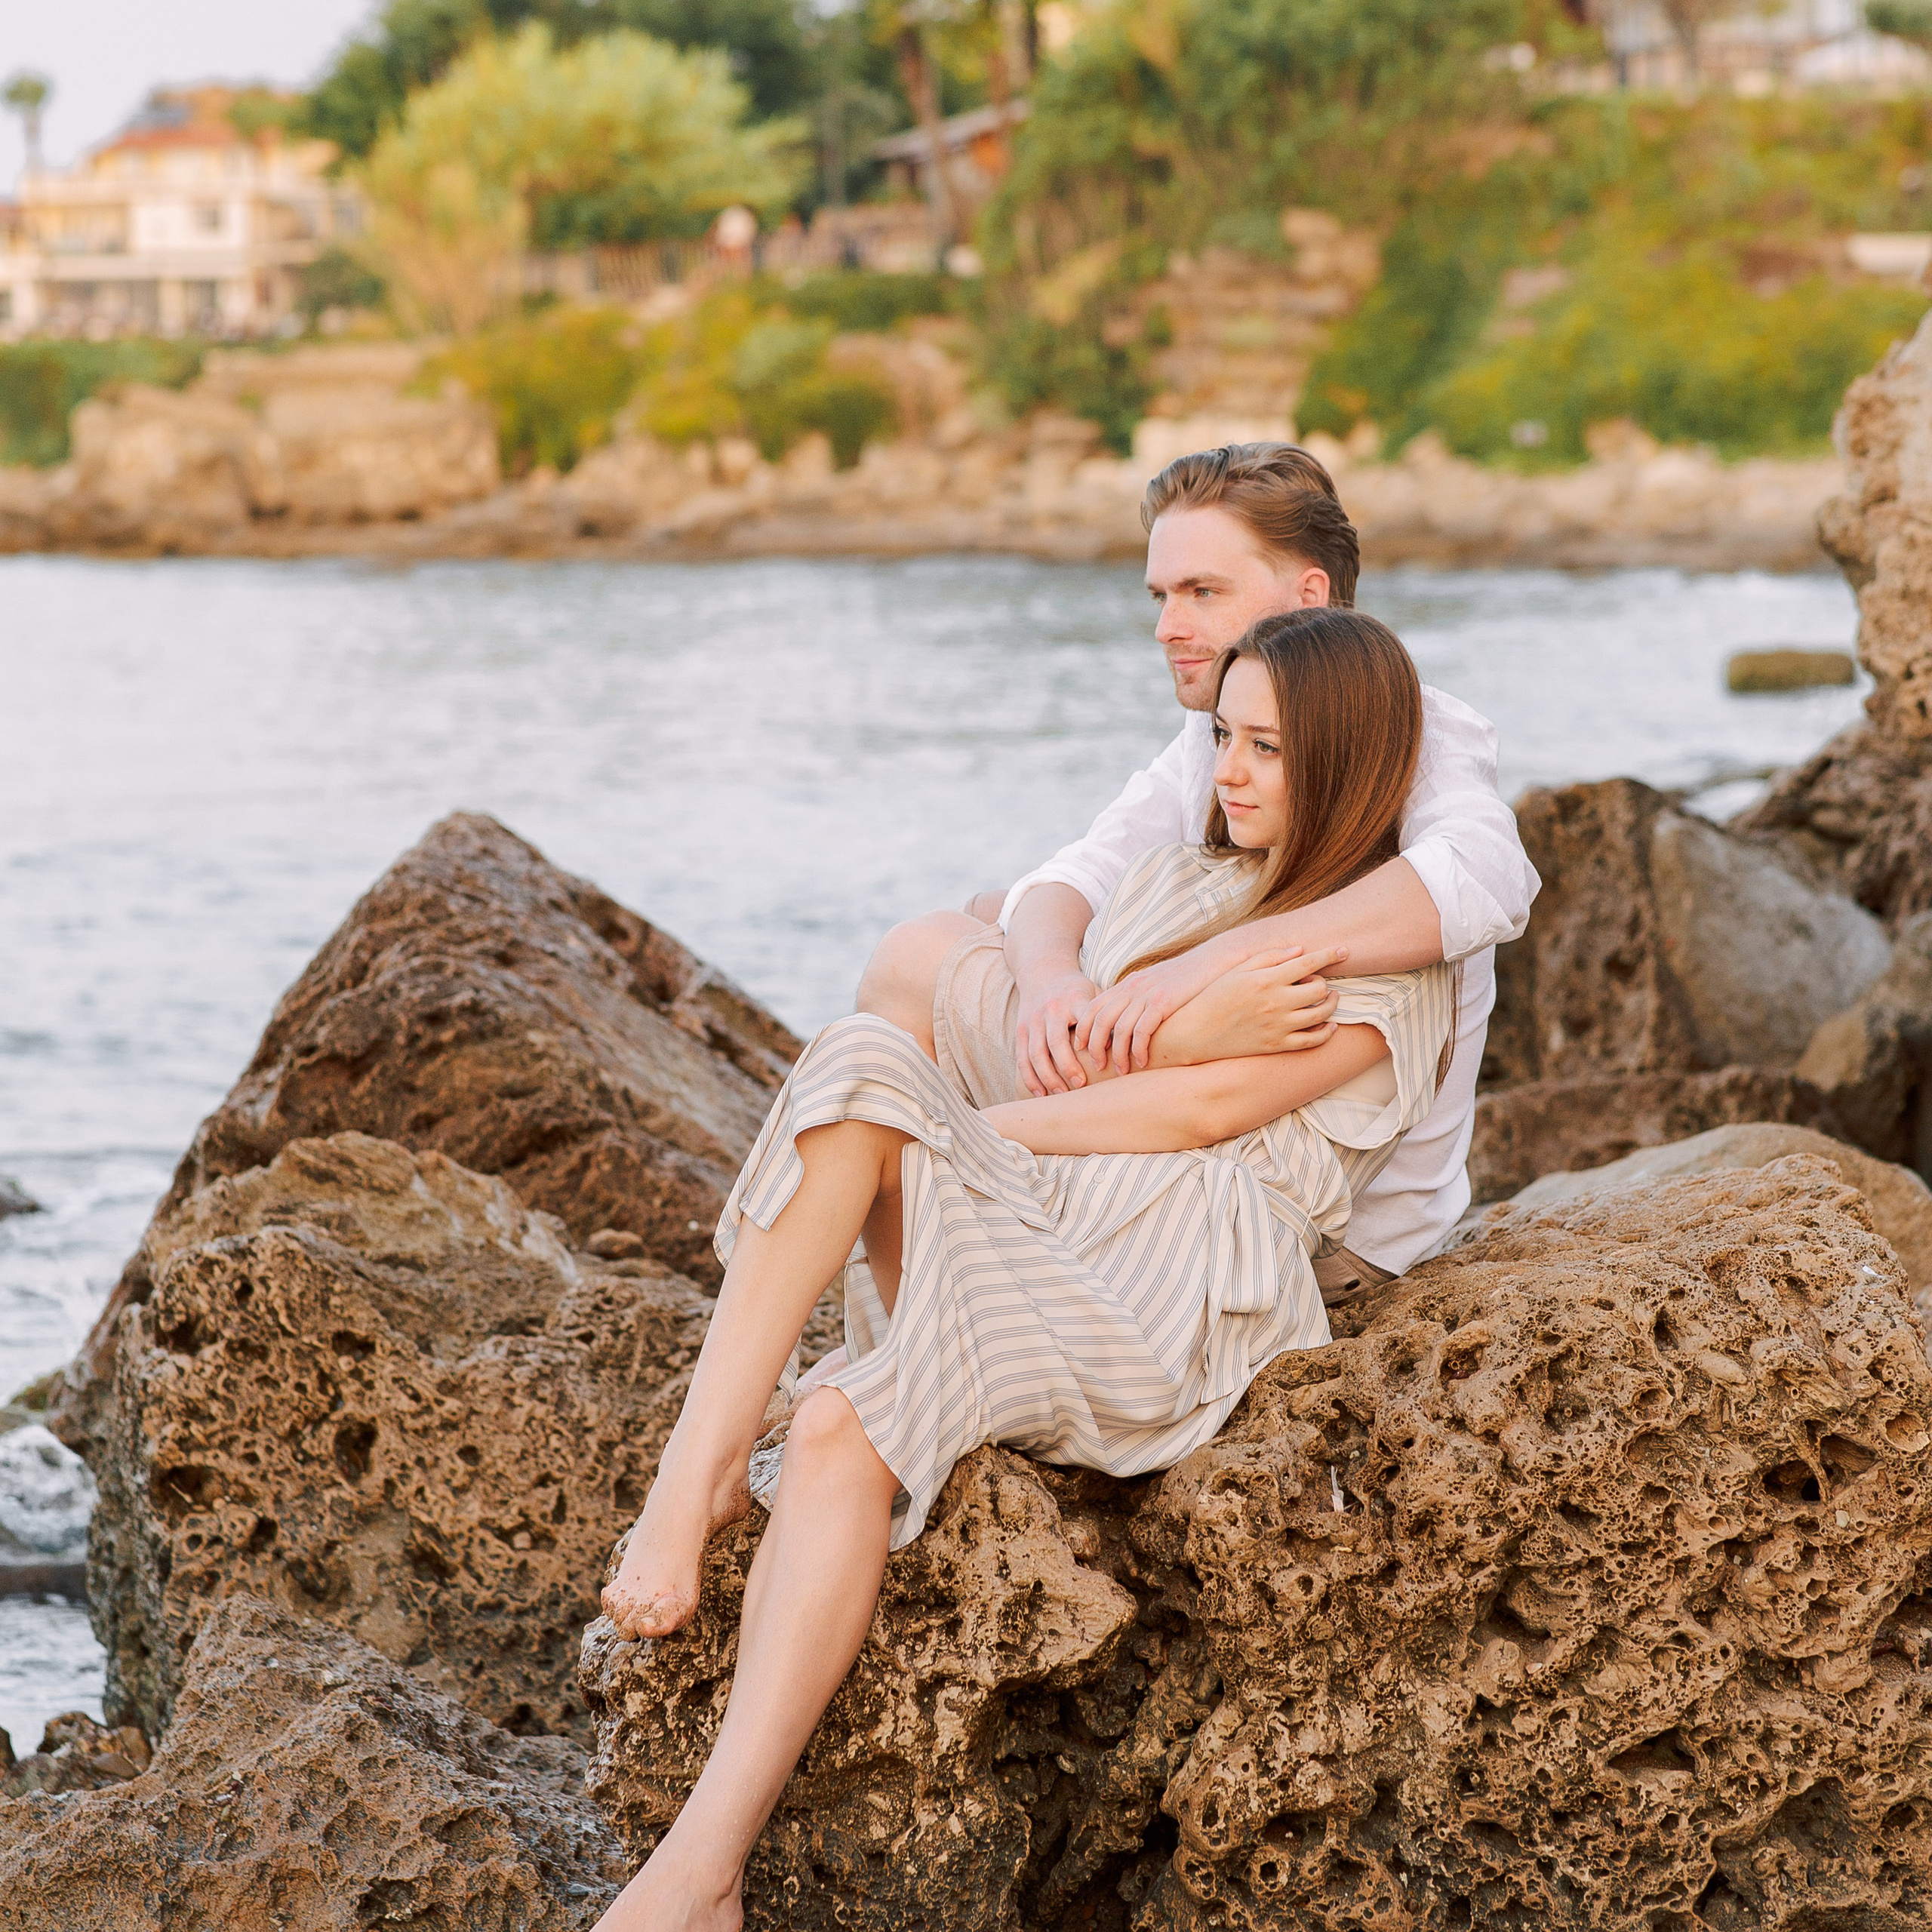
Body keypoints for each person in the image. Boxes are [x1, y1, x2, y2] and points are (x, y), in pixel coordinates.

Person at [592, 608, 1455, 1932]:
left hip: (1177, 1279)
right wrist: (1104, 1008)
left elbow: (1186, 1119)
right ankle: (696, 1566)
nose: (1227, 769)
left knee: (859, 1259)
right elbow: (1006, 954)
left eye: (1269, 750)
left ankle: (697, 1821)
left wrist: (958, 1136)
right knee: (861, 1096)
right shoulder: (1180, 881)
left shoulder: (1383, 961)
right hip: (1057, 1203)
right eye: (1223, 735)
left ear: (1344, 763)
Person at [857, 443, 1537, 1320]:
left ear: (1309, 596)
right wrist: (1050, 980)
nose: (1166, 626)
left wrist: (1205, 963)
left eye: (1202, 592)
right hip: (1187, 1136)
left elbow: (1486, 875)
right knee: (956, 938)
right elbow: (1071, 876)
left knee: (929, 964)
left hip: (1321, 1225)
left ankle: (918, 1323)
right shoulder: (1213, 740)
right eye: (1160, 595)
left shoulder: (1420, 731)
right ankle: (909, 1318)